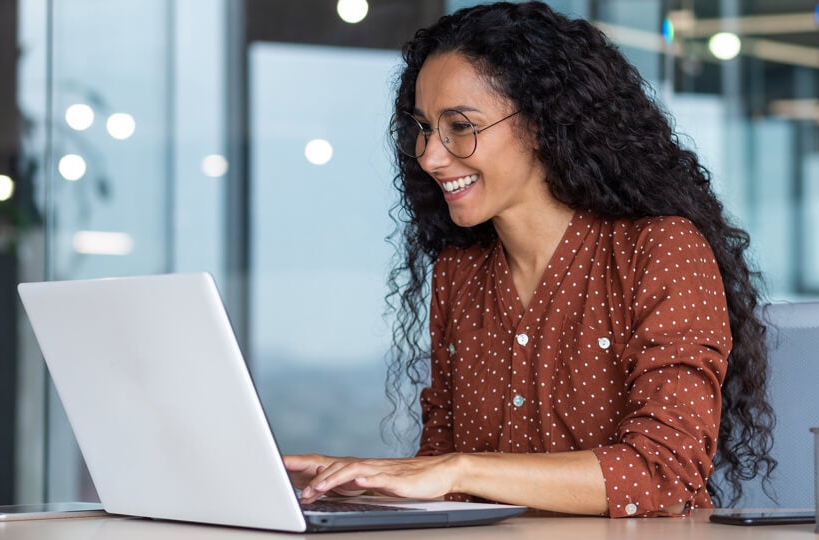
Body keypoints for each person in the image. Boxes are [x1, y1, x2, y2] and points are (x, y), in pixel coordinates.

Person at [282, 1, 775, 518]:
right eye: (424, 128)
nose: (429, 156)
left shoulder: (659, 250)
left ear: (542, 123)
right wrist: (359, 483)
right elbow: (445, 482)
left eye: (460, 126)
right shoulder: (459, 274)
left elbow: (662, 472)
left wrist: (461, 468)